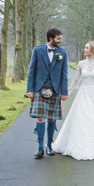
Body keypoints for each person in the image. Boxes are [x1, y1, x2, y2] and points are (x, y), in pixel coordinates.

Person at [26, 28, 69, 158]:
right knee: (40, 118)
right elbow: (31, 71)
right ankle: (40, 148)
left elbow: (64, 74)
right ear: (51, 39)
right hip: (39, 88)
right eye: (58, 38)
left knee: (52, 118)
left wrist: (64, 91)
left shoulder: (63, 53)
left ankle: (49, 146)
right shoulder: (37, 50)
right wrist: (30, 89)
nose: (60, 41)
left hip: (55, 89)